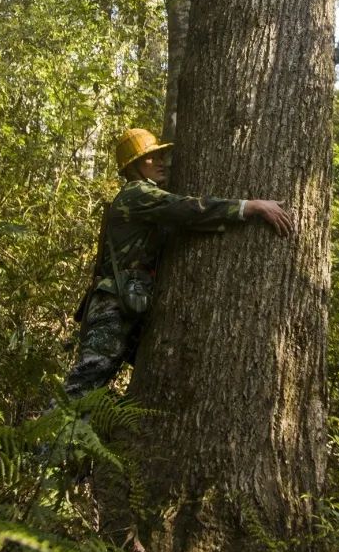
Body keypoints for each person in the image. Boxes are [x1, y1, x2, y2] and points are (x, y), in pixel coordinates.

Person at [64, 127, 292, 397]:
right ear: (133, 166)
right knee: (82, 389)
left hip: (128, 304)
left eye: (160, 156)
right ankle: (47, 440)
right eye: (151, 157)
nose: (161, 161)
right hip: (113, 306)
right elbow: (187, 209)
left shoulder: (144, 200)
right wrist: (250, 207)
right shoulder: (137, 193)